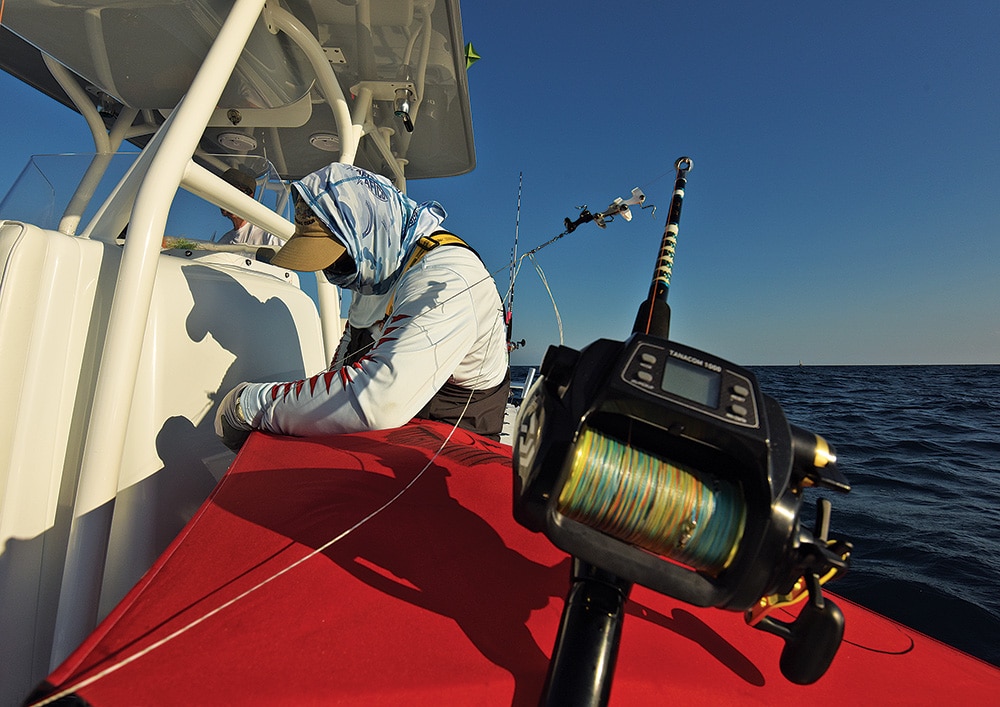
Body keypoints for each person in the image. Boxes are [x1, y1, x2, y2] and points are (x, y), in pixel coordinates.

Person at [214, 163, 510, 448]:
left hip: (454, 450)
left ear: (368, 231)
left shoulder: (447, 278)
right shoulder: (374, 268)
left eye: (338, 259)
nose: (334, 275)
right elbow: (342, 364)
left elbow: (379, 401)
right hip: (392, 440)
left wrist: (252, 404)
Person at [216, 168, 287, 247]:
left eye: (231, 192)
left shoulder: (270, 235)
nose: (225, 198)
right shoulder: (223, 242)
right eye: (222, 193)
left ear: (250, 196)